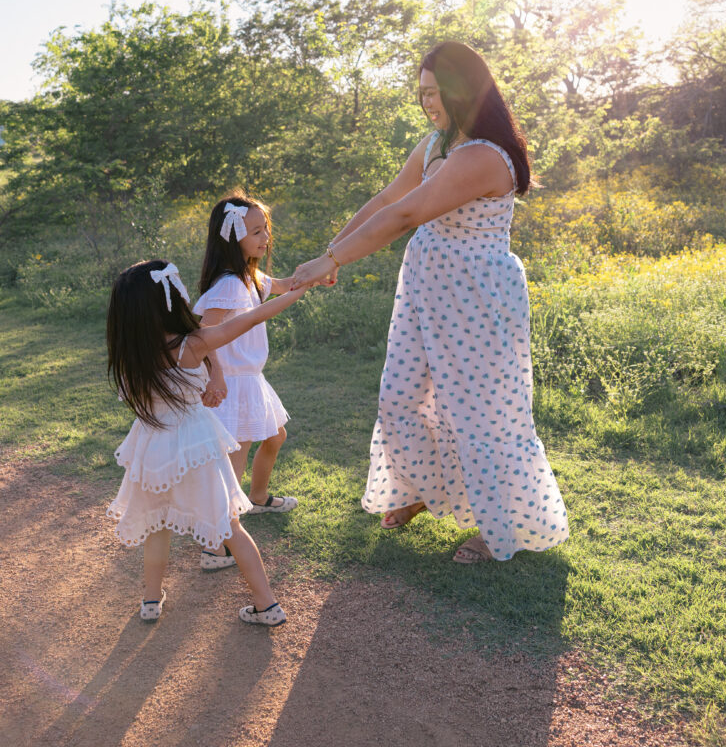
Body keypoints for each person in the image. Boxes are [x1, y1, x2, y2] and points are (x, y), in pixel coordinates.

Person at [291, 41, 568, 563]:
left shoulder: (484, 156)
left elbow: (405, 216)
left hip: (477, 298)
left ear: (463, 92)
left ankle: (497, 526)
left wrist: (332, 264)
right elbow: (387, 200)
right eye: (421, 95)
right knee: (398, 398)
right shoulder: (435, 143)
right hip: (425, 288)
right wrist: (329, 252)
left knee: (480, 417)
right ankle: (421, 490)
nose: (428, 104)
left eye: (435, 94)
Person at [106, 259, 306, 625]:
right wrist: (299, 290)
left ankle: (151, 600)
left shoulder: (129, 355)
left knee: (157, 524)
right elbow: (247, 319)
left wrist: (213, 374)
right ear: (169, 300)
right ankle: (267, 605)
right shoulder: (190, 345)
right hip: (195, 444)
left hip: (151, 448)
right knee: (231, 527)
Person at [193, 192, 328, 570]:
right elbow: (203, 334)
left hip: (251, 379)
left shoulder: (249, 277)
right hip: (233, 385)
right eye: (255, 231)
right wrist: (216, 376)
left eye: (265, 228)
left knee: (275, 436)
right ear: (231, 238)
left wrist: (314, 276)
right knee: (231, 467)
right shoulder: (229, 285)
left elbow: (282, 286)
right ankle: (215, 546)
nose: (264, 236)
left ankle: (259, 496)